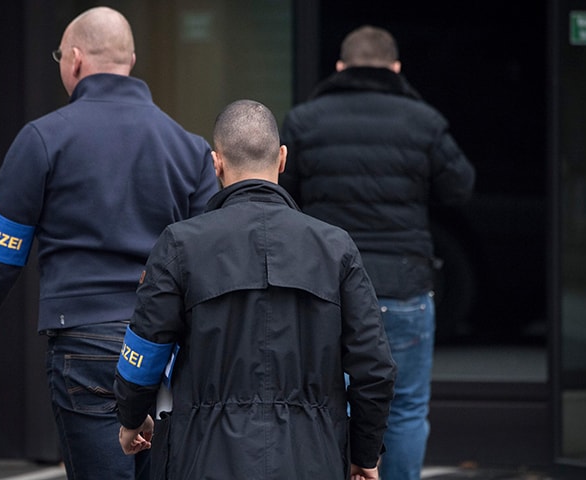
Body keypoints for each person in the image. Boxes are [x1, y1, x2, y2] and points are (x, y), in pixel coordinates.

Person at [0, 7, 218, 480]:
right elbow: (213, 253)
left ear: (74, 60)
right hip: (167, 347)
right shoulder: (189, 147)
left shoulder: (42, 140)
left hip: (85, 344)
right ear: (131, 59)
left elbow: (0, 254)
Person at [113, 99, 397, 480]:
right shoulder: (336, 247)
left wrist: (132, 417)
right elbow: (375, 369)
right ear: (282, 159)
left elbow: (144, 350)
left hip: (204, 457)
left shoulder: (180, 245)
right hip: (312, 458)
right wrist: (364, 453)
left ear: (216, 163)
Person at [279, 26, 476, 480]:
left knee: (325, 402)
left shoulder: (307, 120)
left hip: (328, 289)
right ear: (397, 69)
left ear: (341, 68)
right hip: (404, 286)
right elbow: (461, 186)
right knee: (404, 407)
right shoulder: (422, 121)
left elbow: (280, 195)